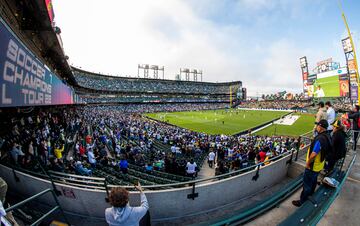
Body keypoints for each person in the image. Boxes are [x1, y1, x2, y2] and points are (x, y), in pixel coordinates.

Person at [292, 119, 332, 207]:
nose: (316, 127)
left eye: (318, 125)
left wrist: (308, 163)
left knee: (307, 184)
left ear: (321, 127)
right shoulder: (328, 136)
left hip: (312, 166)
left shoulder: (320, 138)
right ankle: (311, 194)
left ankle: (302, 201)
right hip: (319, 165)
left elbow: (314, 154)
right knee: (313, 181)